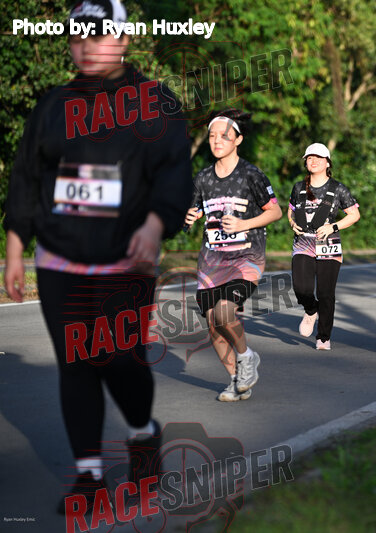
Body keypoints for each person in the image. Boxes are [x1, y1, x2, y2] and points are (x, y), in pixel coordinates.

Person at [3, 0, 193, 512]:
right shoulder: (52, 105)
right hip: (59, 258)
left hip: (125, 259)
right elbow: (27, 175)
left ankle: (142, 433)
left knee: (120, 359)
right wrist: (16, 246)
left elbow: (173, 173)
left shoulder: (155, 103)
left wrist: (155, 225)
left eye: (99, 35)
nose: (86, 46)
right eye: (77, 37)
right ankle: (88, 476)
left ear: (124, 39)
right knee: (76, 364)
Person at [183, 110, 282, 402]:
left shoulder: (251, 174)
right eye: (212, 136)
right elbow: (194, 210)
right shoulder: (202, 178)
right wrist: (189, 217)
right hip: (211, 261)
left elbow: (275, 211)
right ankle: (236, 380)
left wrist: (243, 224)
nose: (217, 141)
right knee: (213, 323)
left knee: (225, 312)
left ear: (238, 140)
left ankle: (247, 356)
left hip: (246, 258)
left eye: (224, 136)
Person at [288, 143, 360, 350]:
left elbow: (354, 215)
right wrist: (292, 222)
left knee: (326, 293)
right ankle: (311, 310)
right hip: (303, 242)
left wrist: (333, 226)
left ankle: (323, 336)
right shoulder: (298, 187)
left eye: (318, 158)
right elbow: (290, 210)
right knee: (301, 288)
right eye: (309, 158)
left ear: (327, 162)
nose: (313, 161)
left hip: (329, 243)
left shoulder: (338, 188)